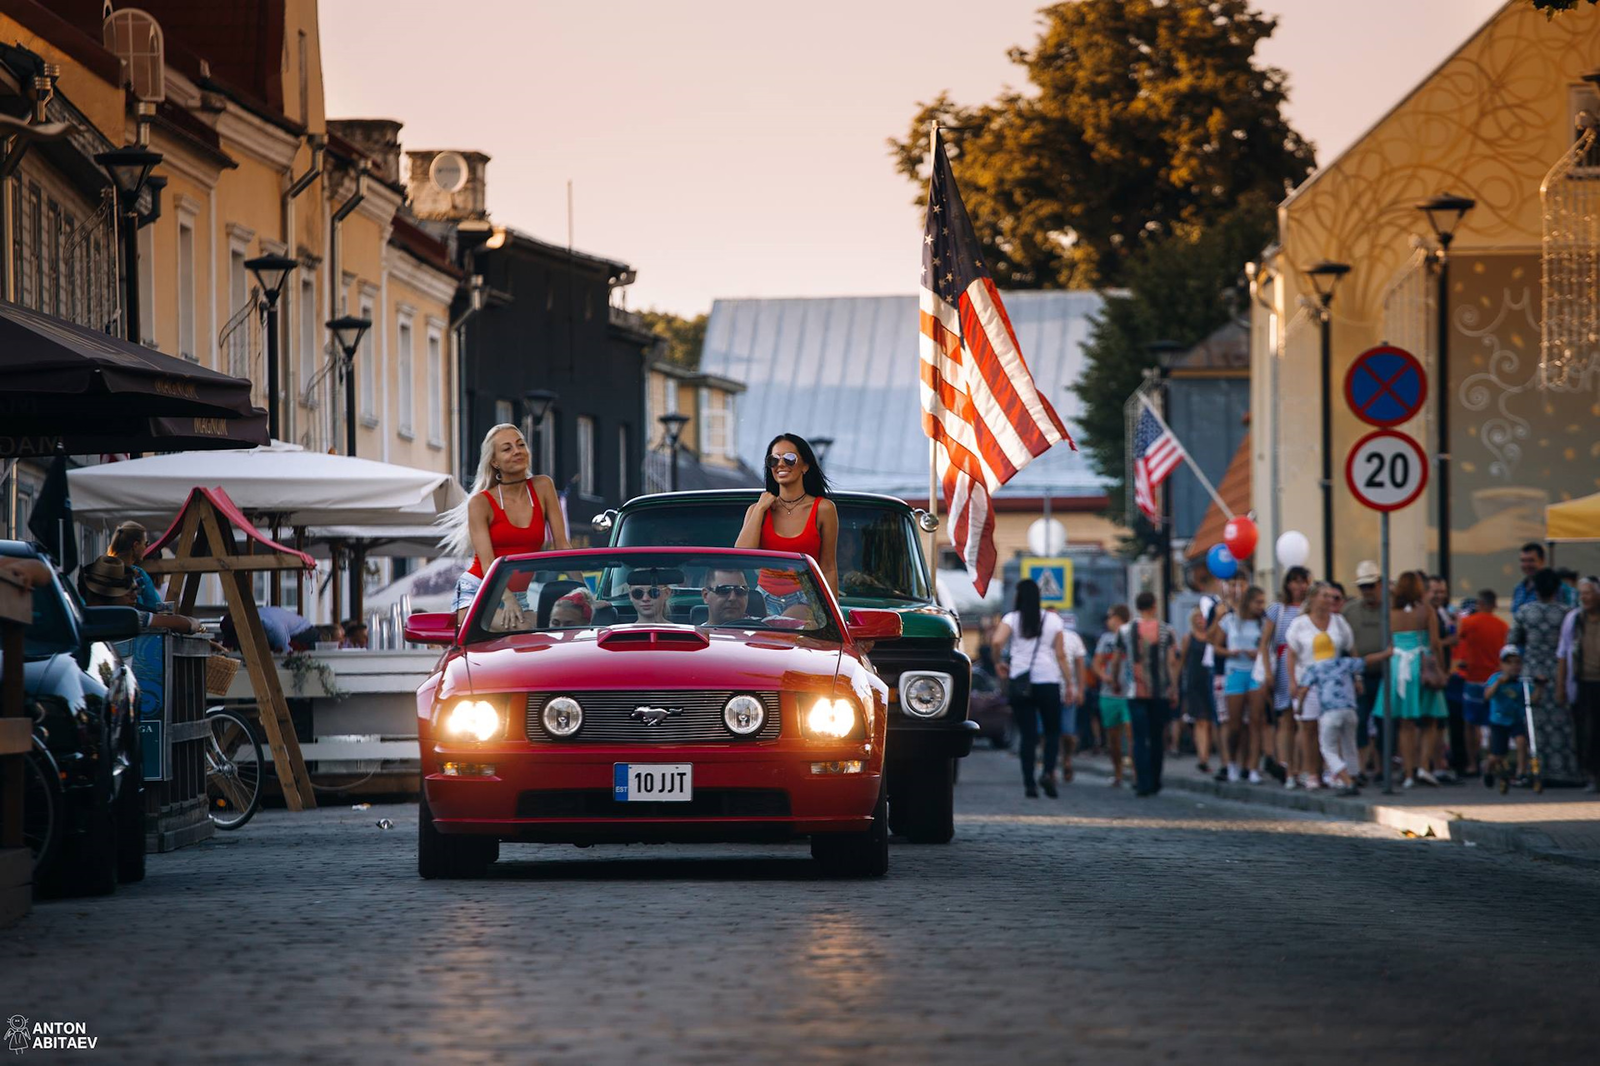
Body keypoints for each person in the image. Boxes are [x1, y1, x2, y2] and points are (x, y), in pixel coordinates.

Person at [439, 423, 571, 623]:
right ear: (494, 461)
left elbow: (563, 547)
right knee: (530, 627)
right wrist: (507, 599)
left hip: (518, 596)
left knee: (552, 630)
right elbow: (487, 563)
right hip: (480, 593)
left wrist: (586, 593)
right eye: (507, 448)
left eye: (520, 445)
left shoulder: (543, 486)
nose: (517, 451)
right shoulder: (480, 502)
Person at [736, 434, 839, 611]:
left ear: (805, 466)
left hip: (809, 599)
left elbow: (828, 567)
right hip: (763, 599)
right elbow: (742, 557)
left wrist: (833, 614)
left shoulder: (823, 509)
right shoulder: (757, 510)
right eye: (773, 460)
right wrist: (760, 509)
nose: (780, 464)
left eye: (789, 458)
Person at [1285, 583, 1370, 792]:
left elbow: (1352, 649)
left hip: (1334, 682)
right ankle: (1311, 771)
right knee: (1309, 728)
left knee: (1334, 728)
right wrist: (1292, 681)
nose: (1329, 600)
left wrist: (1357, 677)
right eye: (1324, 596)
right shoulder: (1300, 624)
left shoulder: (1339, 622)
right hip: (1308, 679)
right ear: (1313, 598)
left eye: (1332, 597)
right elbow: (1291, 654)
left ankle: (1333, 771)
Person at [991, 580, 1072, 798]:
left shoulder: (1012, 619)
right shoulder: (1053, 619)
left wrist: (999, 663)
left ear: (1018, 597)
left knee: (1028, 736)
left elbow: (997, 642)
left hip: (1020, 682)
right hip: (1048, 680)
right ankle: (1047, 773)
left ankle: (1029, 784)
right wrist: (1071, 684)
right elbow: (1061, 655)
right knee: (1052, 732)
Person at [1372, 571, 1447, 788]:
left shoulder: (1390, 612)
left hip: (1398, 666)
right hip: (1422, 664)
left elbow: (1386, 641)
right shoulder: (1426, 611)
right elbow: (1435, 642)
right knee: (1430, 719)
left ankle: (1408, 773)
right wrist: (1441, 668)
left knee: (1405, 722)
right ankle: (1424, 765)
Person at [1113, 591, 1180, 797]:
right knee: (1157, 737)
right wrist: (1174, 687)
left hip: (1135, 690)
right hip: (1159, 691)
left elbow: (1117, 659)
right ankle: (1156, 780)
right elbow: (1171, 662)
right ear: (1154, 605)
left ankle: (1142, 781)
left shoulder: (1125, 631)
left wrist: (1115, 680)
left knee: (1139, 738)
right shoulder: (1166, 630)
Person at [1258, 565, 1310, 783]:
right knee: (1285, 718)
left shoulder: (1309, 608)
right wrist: (1268, 672)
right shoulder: (1277, 609)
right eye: (1295, 581)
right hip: (1282, 665)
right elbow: (1265, 643)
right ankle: (1287, 765)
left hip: (1305, 664)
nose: (1299, 586)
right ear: (1288, 584)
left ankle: (1303, 766)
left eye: (1303, 581)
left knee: (1305, 720)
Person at [1212, 584, 1266, 783]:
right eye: (1258, 602)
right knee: (1234, 723)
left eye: (1263, 602)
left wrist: (1258, 654)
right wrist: (1231, 652)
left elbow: (1266, 647)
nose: (1261, 606)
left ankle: (1252, 767)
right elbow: (1216, 646)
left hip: (1255, 672)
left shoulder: (1263, 623)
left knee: (1255, 720)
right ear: (1248, 602)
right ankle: (1232, 761)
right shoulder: (1231, 621)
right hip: (1235, 670)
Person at [79, 555, 204, 636]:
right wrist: (196, 623)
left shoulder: (74, 614)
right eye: (128, 591)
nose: (134, 596)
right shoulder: (127, 616)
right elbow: (182, 623)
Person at [1455, 588, 1508, 776]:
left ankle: (1472, 762)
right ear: (1494, 605)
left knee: (1471, 723)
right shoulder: (1502, 626)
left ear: (1480, 604)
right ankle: (1495, 759)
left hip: (1473, 678)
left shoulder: (1469, 622)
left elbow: (1456, 637)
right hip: (1495, 679)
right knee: (1494, 722)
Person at [1342, 562, 1386, 781]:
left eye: (1371, 585)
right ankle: (1358, 768)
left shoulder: (1389, 608)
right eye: (1363, 587)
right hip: (1359, 676)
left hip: (1386, 674)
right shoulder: (1349, 611)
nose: (1367, 591)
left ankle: (1382, 768)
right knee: (1358, 722)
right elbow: (1343, 645)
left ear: (1380, 584)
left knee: (1385, 723)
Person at [1555, 576, 1600, 792]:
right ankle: (1592, 775)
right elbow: (1563, 653)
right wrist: (1560, 686)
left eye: (1588, 593)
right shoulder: (1574, 619)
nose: (1584, 597)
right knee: (1585, 732)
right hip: (1582, 683)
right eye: (1581, 593)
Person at [1094, 605, 1132, 787]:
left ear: (1117, 618)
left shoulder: (1132, 635)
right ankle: (1118, 773)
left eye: (1109, 617)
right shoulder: (1105, 639)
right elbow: (1096, 663)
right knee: (1113, 739)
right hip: (1109, 694)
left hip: (1130, 692)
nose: (1107, 621)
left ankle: (1137, 774)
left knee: (1132, 734)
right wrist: (1105, 677)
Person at [1482, 647, 1530, 789]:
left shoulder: (1521, 682)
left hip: (1515, 718)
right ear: (1502, 665)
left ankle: (1521, 773)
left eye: (1517, 663)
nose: (1514, 666)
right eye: (1509, 663)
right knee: (1498, 756)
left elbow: (1531, 699)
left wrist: (1540, 688)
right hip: (1499, 720)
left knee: (1521, 741)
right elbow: (1487, 696)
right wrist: (1498, 683)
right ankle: (1488, 766)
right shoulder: (1496, 679)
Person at [1179, 603, 1217, 774]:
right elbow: (1182, 661)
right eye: (1197, 618)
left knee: (1211, 722)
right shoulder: (1188, 638)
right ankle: (1203, 757)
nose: (1200, 621)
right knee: (1200, 721)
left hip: (1211, 680)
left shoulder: (1213, 636)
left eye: (1202, 618)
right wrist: (1176, 682)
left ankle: (1211, 751)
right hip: (1195, 682)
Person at [103, 520, 164, 610]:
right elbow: (154, 606)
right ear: (135, 545)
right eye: (146, 544)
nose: (146, 548)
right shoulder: (139, 576)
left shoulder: (102, 570)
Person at [1056, 611, 1088, 783]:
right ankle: (1051, 765)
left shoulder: (1073, 638)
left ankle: (1067, 759)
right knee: (1048, 732)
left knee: (1068, 732)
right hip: (1050, 690)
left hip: (1069, 693)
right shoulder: (1044, 636)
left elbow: (1080, 665)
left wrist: (1080, 689)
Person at [1511, 543, 1576, 613]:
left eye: (1531, 560)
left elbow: (1569, 616)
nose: (1526, 565)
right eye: (1523, 561)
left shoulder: (1558, 588)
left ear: (1542, 561)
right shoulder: (1518, 589)